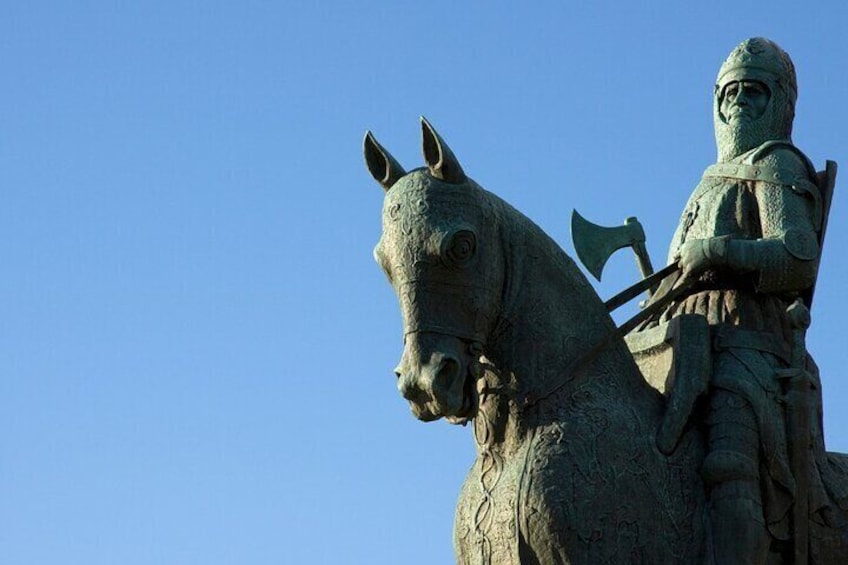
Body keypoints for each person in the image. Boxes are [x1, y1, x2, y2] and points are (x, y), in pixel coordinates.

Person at [645, 37, 836, 563]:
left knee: (729, 465)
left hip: (747, 345)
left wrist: (719, 250)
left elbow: (797, 258)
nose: (738, 105)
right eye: (729, 94)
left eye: (753, 92)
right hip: (684, 342)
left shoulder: (776, 166)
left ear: (779, 102)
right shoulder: (704, 185)